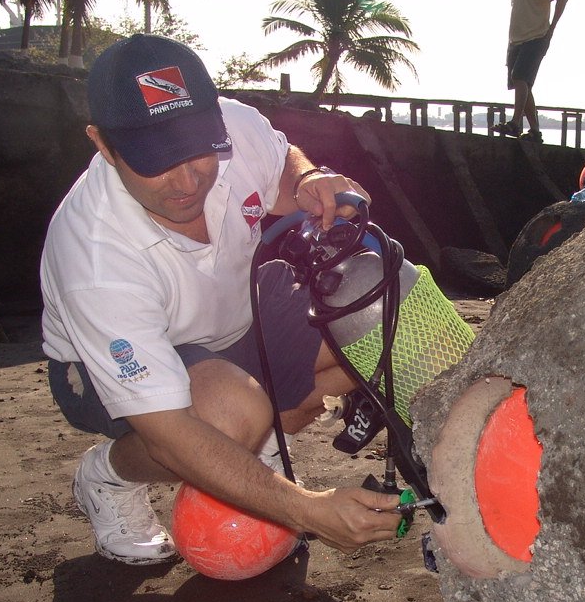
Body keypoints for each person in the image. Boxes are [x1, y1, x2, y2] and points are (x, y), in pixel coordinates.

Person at [41, 33, 401, 566]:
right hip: (113, 365)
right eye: (155, 160)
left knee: (380, 306)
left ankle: (255, 448)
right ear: (103, 144)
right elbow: (169, 432)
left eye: (197, 153)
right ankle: (109, 475)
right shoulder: (94, 257)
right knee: (228, 416)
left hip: (236, 317)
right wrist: (307, 510)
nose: (187, 181)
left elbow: (282, 165)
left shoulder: (235, 125)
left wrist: (309, 179)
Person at [492, 0, 567, 143]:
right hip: (516, 38)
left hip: (536, 36)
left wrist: (551, 29)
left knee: (520, 77)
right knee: (521, 84)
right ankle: (535, 131)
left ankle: (515, 123)